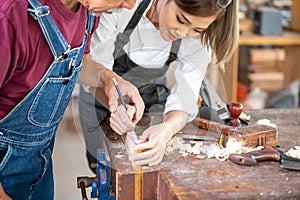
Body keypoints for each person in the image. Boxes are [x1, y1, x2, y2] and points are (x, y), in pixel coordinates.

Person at [0, 0, 146, 199]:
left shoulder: (86, 12)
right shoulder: (10, 18)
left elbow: (75, 61)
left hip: (38, 157)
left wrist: (109, 80)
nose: (129, 6)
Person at [79, 0, 239, 172]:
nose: (183, 32)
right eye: (180, 19)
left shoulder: (196, 39)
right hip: (99, 96)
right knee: (105, 167)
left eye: (196, 29)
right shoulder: (122, 6)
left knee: (155, 168)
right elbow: (94, 70)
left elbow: (186, 96)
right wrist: (118, 108)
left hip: (154, 95)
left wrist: (167, 129)